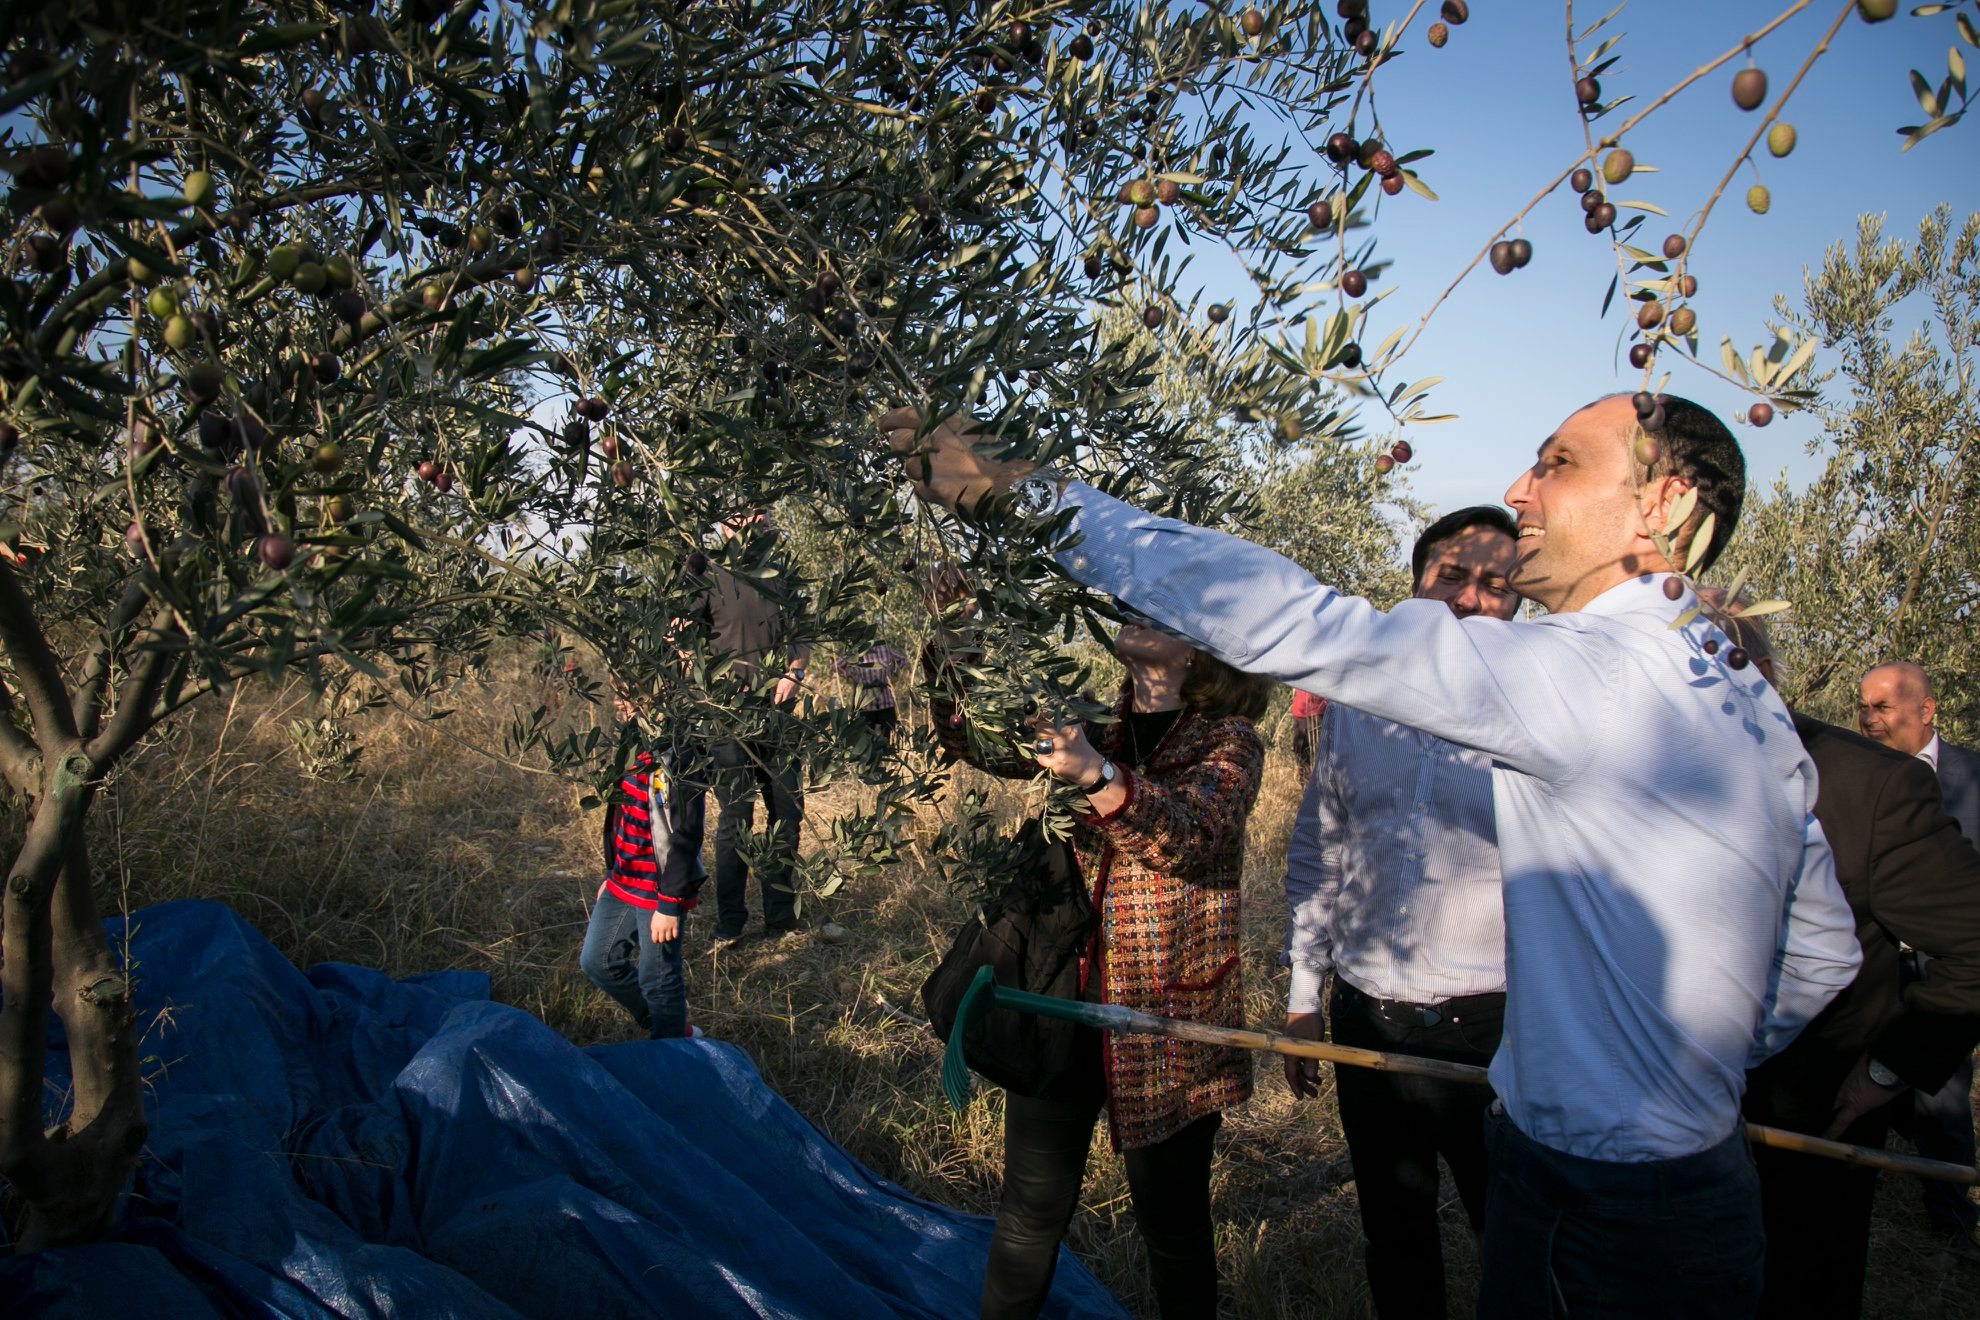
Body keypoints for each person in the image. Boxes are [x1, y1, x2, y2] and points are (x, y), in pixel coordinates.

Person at [884, 392, 1863, 1319]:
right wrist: (1676, 1077)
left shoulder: (1597, 674)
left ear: (1664, 503)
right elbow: (1821, 954)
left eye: (1559, 464)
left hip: (1595, 1202)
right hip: (1697, 1188)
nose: (1520, 491)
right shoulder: (1741, 695)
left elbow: (1297, 621)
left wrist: (1020, 492)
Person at [927, 594, 1272, 1319]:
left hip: (1166, 1017)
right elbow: (979, 742)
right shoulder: (1095, 718)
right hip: (1061, 997)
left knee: (1172, 1225)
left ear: (1200, 648)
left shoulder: (1230, 742)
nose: (1137, 608)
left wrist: (1095, 774)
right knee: (1028, 1211)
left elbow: (1189, 836)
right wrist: (953, 636)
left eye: (1163, 607)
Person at [1700, 620, 1980, 1314]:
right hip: (1662, 1112)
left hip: (1808, 1115)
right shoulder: (1639, 765)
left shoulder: (1871, 785)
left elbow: (1972, 944)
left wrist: (1887, 1069)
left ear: (1754, 670)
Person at [1281, 505, 1520, 1319]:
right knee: (1393, 1230)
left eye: (1495, 585)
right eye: (1452, 575)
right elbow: (1321, 847)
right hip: (1367, 1017)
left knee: (1511, 1234)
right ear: (1417, 584)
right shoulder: (1358, 703)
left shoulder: (1536, 716)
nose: (1470, 598)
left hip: (1493, 1031)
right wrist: (1304, 997)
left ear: (1518, 605)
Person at [1858, 660, 1980, 1260]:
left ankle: (1952, 1216)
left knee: (1944, 1097)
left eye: (1882, 707)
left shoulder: (1973, 778)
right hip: (1873, 967)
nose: (1868, 718)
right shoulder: (1852, 775)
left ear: (1926, 710)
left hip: (1946, 970)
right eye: (1863, 706)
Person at [689, 511, 811, 944]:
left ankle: (780, 918)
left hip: (778, 714)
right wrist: (710, 683)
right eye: (746, 514)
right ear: (726, 524)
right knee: (735, 819)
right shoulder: (708, 573)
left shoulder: (782, 573)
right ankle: (730, 923)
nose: (756, 521)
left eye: (763, 513)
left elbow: (801, 636)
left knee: (787, 813)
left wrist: (794, 672)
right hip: (728, 716)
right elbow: (683, 638)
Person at [578, 695, 706, 1038]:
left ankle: (673, 1047)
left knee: (657, 979)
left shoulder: (680, 751)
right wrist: (612, 873)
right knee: (597, 961)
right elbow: (622, 813)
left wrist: (670, 903)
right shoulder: (633, 738)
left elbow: (687, 832)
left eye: (628, 694)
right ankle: (667, 1026)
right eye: (616, 692)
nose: (618, 701)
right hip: (623, 879)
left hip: (659, 888)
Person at [835, 640, 908, 740]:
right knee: (864, 737)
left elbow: (902, 659)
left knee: (889, 734)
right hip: (864, 703)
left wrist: (892, 674)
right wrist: (851, 675)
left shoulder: (884, 649)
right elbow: (837, 665)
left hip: (885, 700)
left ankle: (886, 749)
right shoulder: (856, 652)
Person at [1287, 687, 1326, 775]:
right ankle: (1306, 781)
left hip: (1316, 711)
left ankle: (1309, 780)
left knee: (1315, 757)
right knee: (1302, 757)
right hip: (1303, 712)